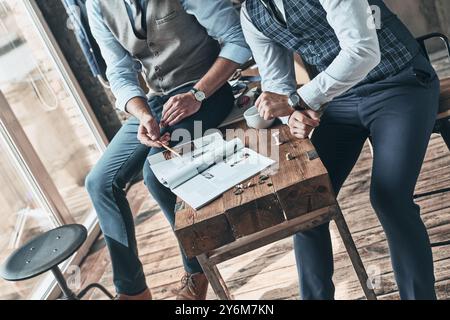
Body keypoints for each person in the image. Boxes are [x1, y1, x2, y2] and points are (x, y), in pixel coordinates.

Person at [241, 0, 440, 300]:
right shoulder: (251, 13)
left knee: (390, 199)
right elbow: (276, 84)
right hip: (342, 102)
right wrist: (293, 115)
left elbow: (363, 50)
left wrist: (299, 100)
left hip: (400, 83)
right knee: (305, 201)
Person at [85, 0, 251, 300]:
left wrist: (197, 93)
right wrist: (142, 114)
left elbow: (238, 40)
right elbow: (119, 73)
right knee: (100, 183)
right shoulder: (97, 6)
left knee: (156, 171)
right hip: (156, 101)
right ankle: (133, 291)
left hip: (208, 91)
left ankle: (197, 269)